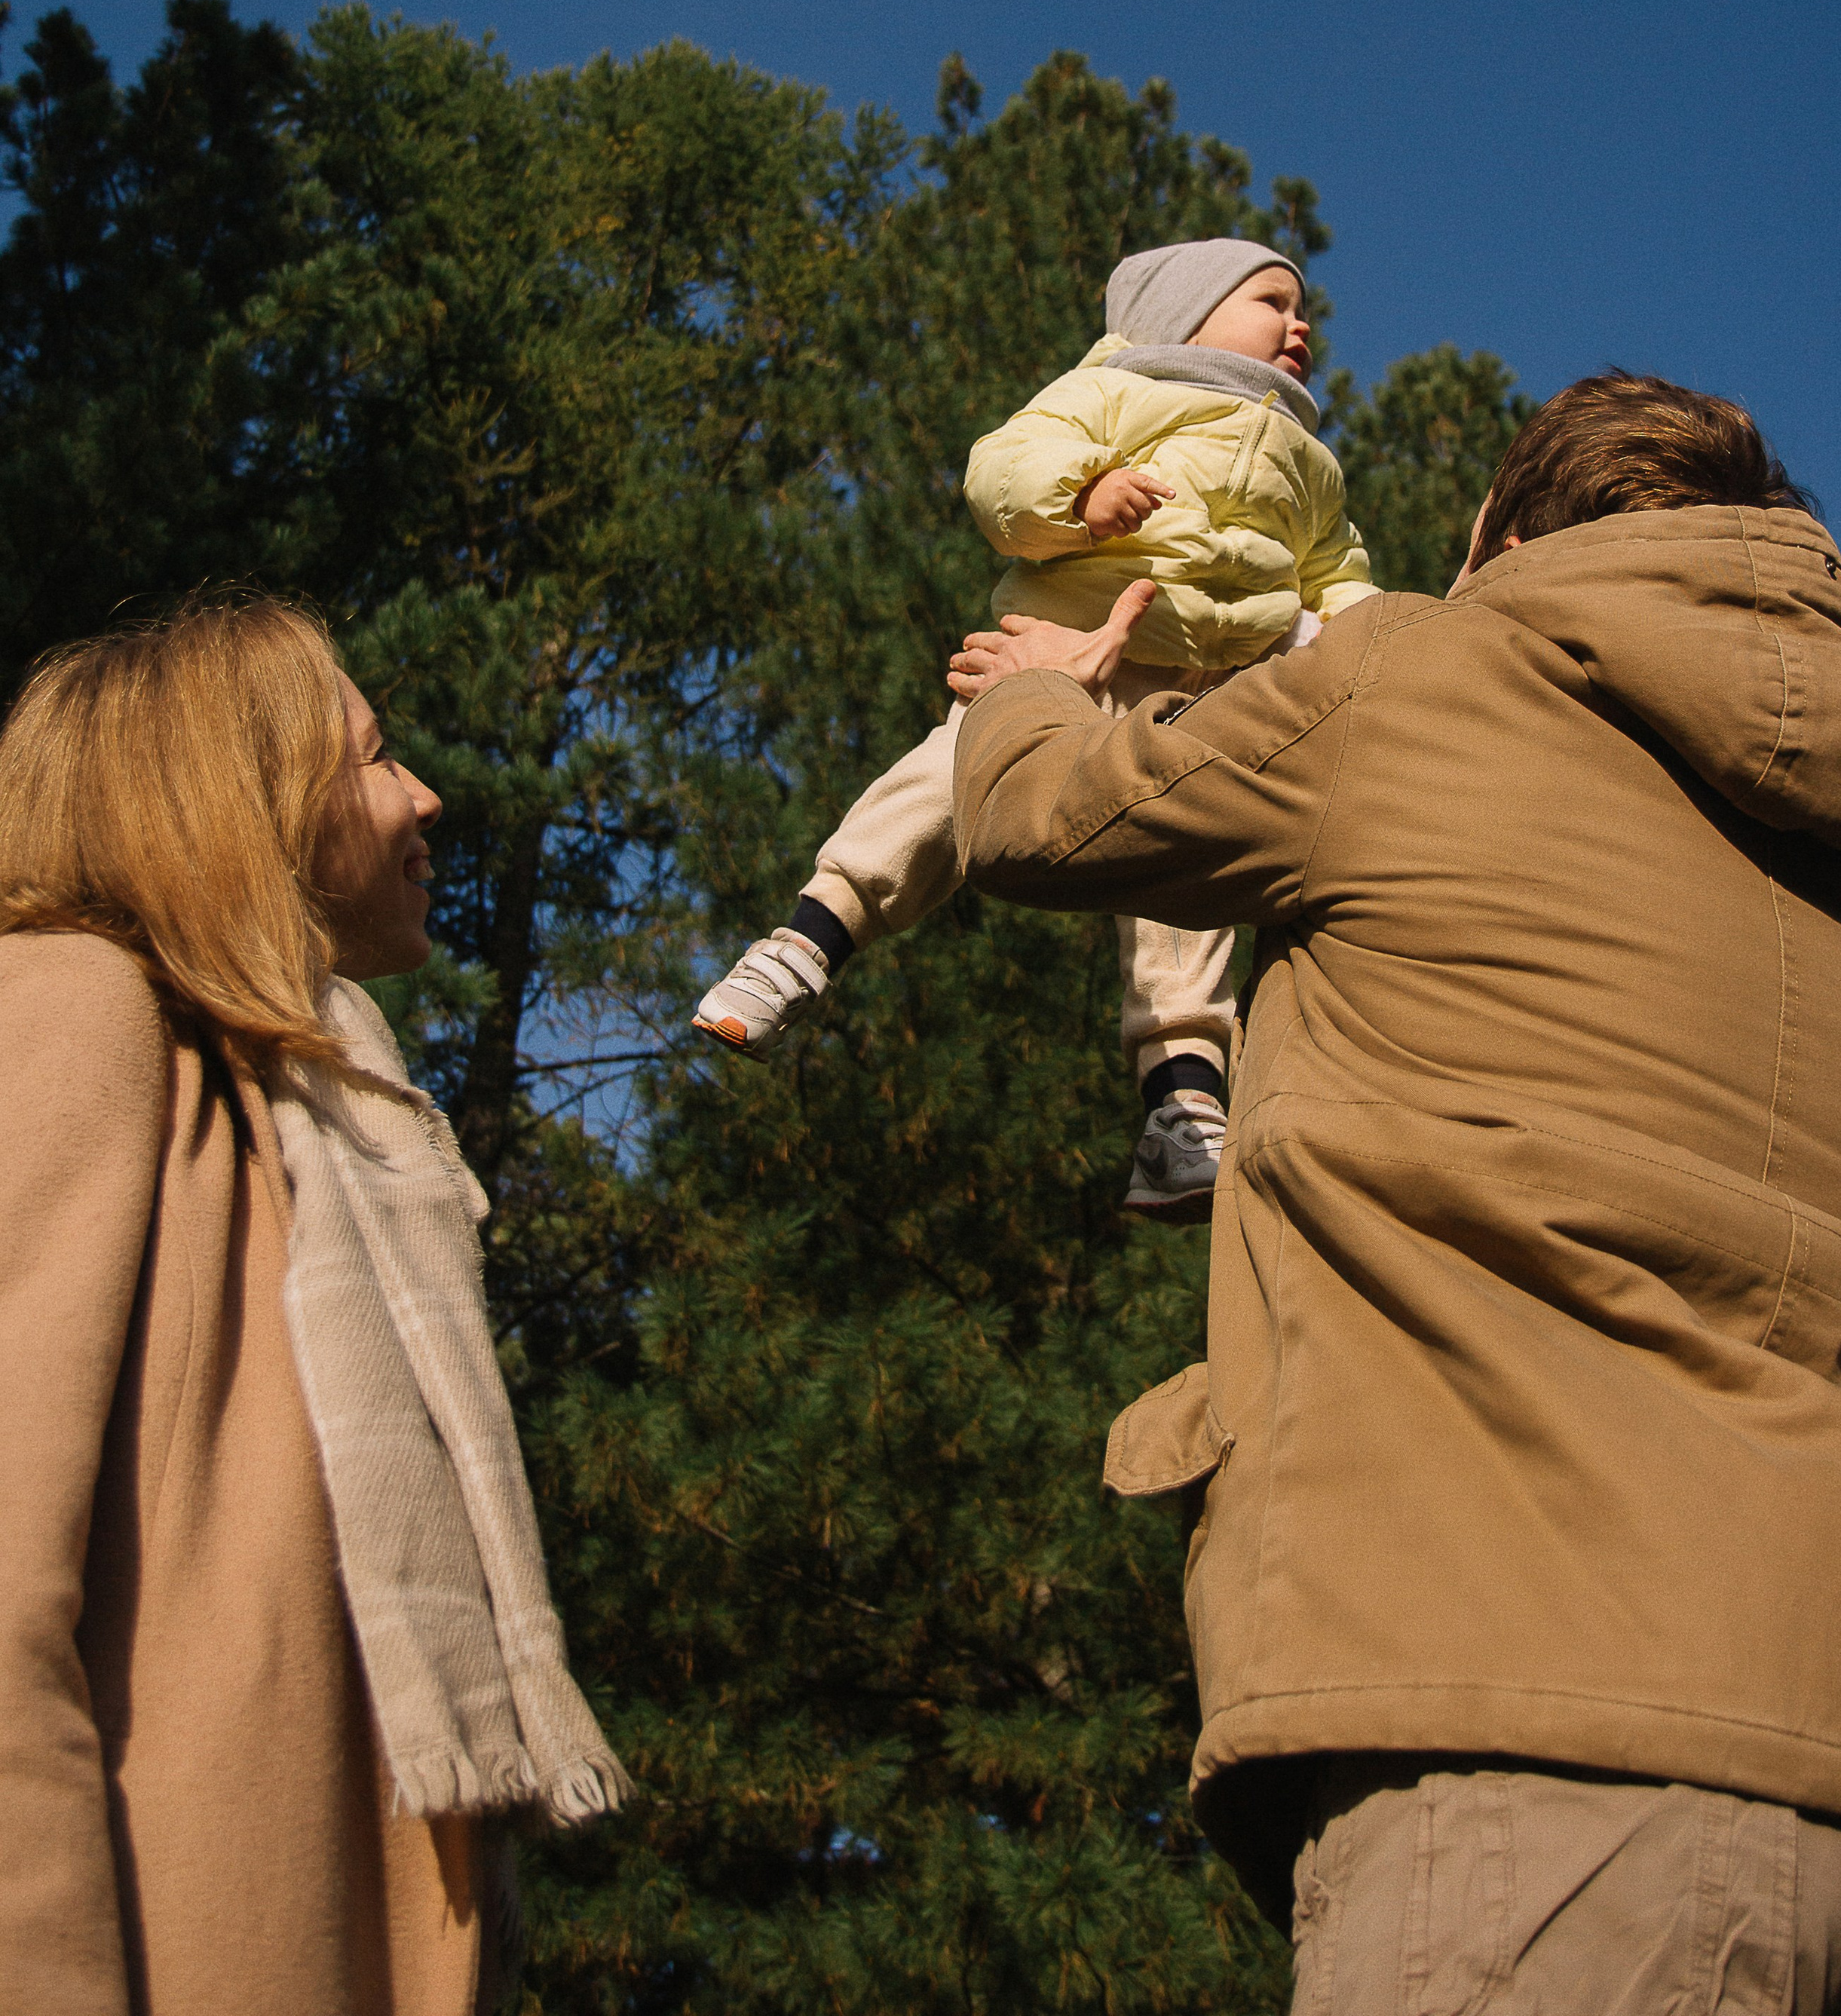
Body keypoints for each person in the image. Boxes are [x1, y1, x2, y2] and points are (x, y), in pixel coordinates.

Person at [946, 372, 1841, 2009]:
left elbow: (1037, 821)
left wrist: (1040, 684)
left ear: (1502, 536)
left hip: (1538, 1726)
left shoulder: (1418, 666)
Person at [0, 594, 629, 2016]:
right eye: (373, 754)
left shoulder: (333, 1126)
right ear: (237, 794)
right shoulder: (69, 1014)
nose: (424, 794)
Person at [694, 235, 1374, 1217]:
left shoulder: (1311, 463)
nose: (1299, 323)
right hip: (1070, 645)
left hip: (1207, 685)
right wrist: (1084, 498)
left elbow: (1339, 574)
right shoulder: (1119, 390)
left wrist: (1370, 647)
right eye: (1272, 300)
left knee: (1187, 889)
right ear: (1185, 313)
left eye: (1302, 308)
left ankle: (1182, 1111)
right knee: (947, 781)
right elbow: (1005, 473)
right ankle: (805, 943)